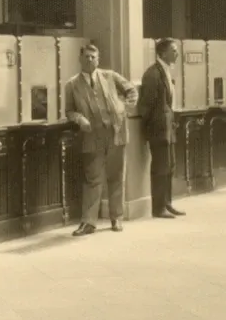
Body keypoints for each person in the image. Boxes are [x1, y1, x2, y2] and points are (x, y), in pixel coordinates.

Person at [63, 42, 138, 235]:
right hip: (92, 136)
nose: (90, 60)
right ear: (80, 59)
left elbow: (131, 90)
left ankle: (117, 218)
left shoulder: (110, 76)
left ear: (98, 59)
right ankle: (89, 222)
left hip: (115, 133)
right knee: (92, 179)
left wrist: (124, 107)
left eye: (93, 57)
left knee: (116, 177)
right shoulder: (72, 84)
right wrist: (80, 119)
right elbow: (69, 111)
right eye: (86, 56)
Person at [138, 38, 183, 218]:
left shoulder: (164, 71)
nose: (177, 53)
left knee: (169, 166)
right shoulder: (152, 74)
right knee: (160, 168)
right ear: (162, 53)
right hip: (159, 129)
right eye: (174, 50)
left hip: (168, 128)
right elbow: (146, 105)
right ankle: (158, 208)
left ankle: (167, 202)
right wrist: (150, 128)